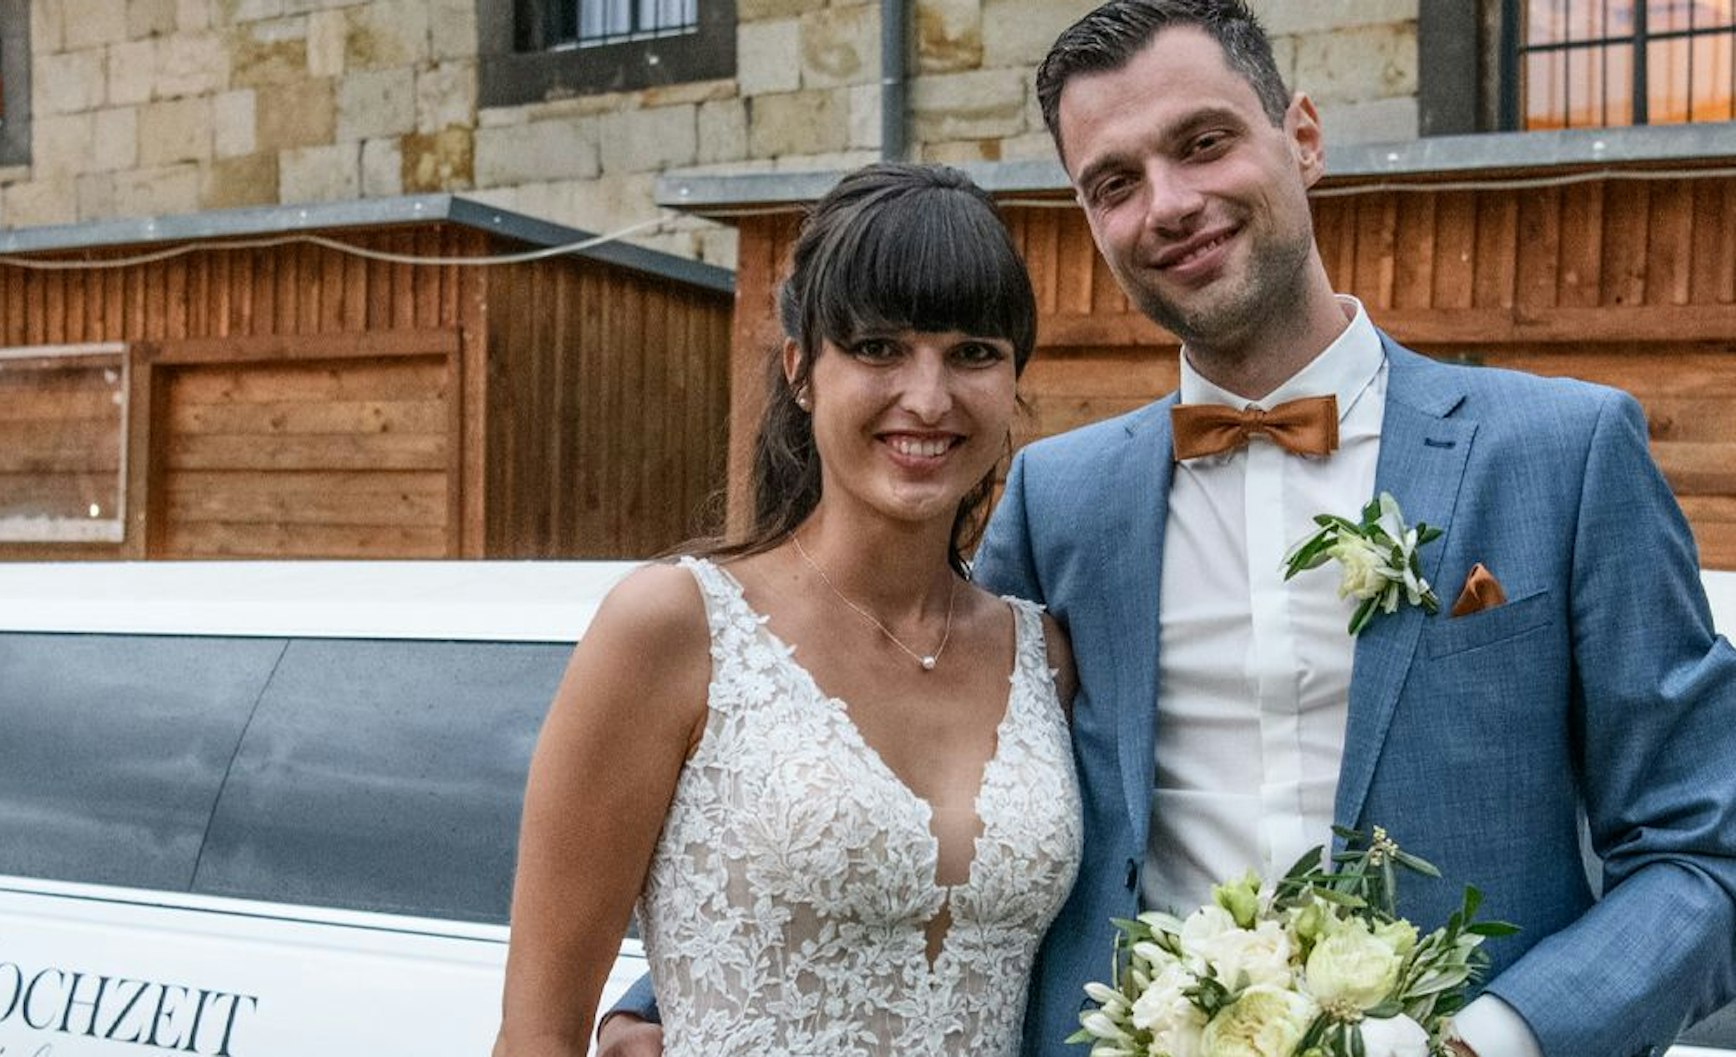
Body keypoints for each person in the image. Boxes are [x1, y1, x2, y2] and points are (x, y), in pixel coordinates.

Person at [603, 3, 1736, 1057]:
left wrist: (1482, 1040)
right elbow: (903, 747)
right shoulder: (1058, 495)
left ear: (1301, 136)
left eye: (1201, 144)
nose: (1167, 205)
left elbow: (1700, 856)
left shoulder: (1564, 454)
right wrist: (680, 991)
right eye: (1112, 182)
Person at [493, 162, 1083, 1057]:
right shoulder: (673, 628)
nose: (928, 397)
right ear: (802, 370)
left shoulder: (1043, 652)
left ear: (1012, 383)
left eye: (973, 352)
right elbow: (537, 1037)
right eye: (880, 347)